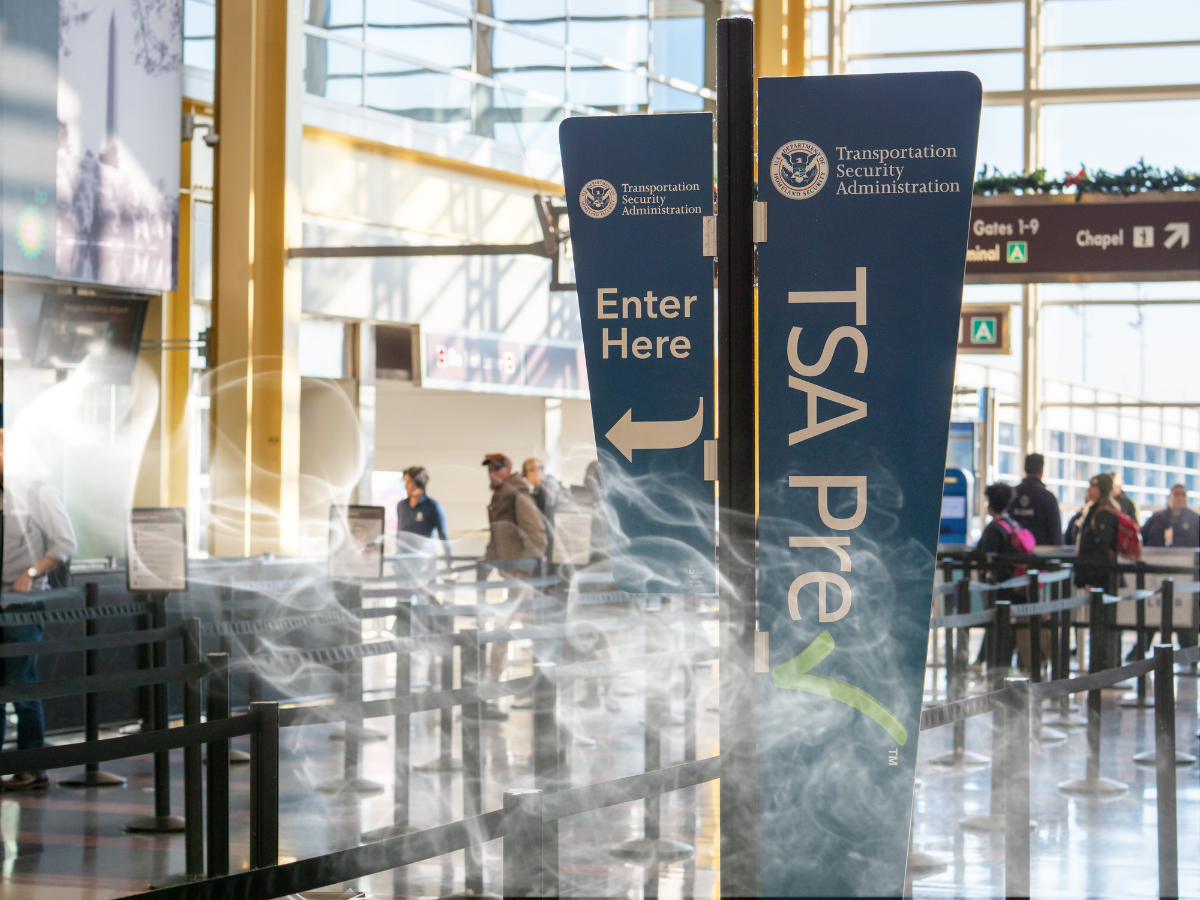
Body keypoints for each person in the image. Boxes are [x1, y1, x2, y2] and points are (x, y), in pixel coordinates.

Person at [0, 429, 78, 791]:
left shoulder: (38, 491)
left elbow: (65, 543)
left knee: (20, 683)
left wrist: (29, 573)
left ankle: (32, 765)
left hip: (23, 605)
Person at [480, 453, 547, 719]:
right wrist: (484, 565)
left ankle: (493, 694)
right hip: (513, 578)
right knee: (531, 632)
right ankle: (535, 690)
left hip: (523, 580)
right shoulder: (500, 500)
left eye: (497, 469)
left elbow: (537, 536)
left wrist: (522, 569)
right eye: (490, 469)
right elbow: (496, 538)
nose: (492, 473)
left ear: (508, 470)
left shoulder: (518, 497)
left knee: (502, 632)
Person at [1074, 473, 1120, 596]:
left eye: (1093, 486)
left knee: (1099, 613)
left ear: (1102, 490)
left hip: (1099, 579)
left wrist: (1092, 580)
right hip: (1097, 575)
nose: (1089, 490)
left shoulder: (1103, 514)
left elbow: (1103, 548)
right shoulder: (1096, 510)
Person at [1007, 453, 1062, 546]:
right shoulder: (1048, 497)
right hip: (1040, 555)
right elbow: (1055, 533)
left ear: (1025, 469)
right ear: (1041, 470)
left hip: (1014, 554)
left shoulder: (1011, 494)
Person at [396, 466, 449, 554]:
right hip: (403, 558)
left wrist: (449, 561)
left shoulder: (433, 506)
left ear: (418, 483)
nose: (406, 486)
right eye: (405, 482)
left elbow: (443, 535)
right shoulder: (401, 506)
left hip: (424, 558)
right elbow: (399, 533)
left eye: (409, 482)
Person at [522, 457, 559, 565]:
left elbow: (546, 516)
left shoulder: (546, 487)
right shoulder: (548, 485)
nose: (527, 479)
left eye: (526, 475)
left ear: (534, 471)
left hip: (549, 541)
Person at [1141, 484, 1200, 549]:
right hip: (1158, 556)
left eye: (1183, 495)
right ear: (1169, 497)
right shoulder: (1156, 518)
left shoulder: (1196, 520)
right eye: (1176, 494)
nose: (1180, 498)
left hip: (1187, 557)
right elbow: (1142, 537)